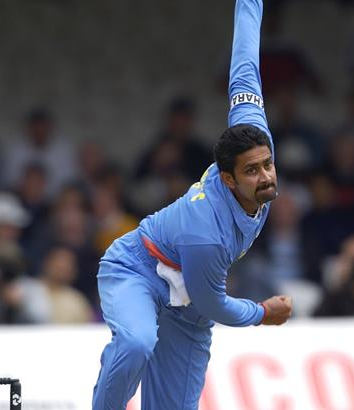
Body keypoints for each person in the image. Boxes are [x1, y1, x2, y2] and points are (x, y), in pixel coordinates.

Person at [91, 1, 293, 408]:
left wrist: (250, 3)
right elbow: (212, 302)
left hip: (188, 308)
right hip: (139, 269)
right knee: (136, 343)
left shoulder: (253, 133)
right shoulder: (208, 233)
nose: (266, 176)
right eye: (252, 171)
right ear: (228, 179)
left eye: (268, 164)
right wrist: (261, 313)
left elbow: (244, 67)